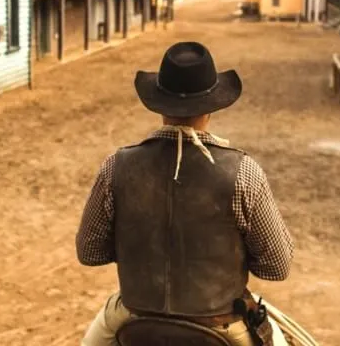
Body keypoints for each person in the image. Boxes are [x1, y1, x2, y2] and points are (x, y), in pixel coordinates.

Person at [76, 41, 294, 346]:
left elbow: (89, 252)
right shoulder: (244, 172)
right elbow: (277, 267)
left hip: (135, 315)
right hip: (221, 325)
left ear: (158, 104)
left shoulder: (116, 167)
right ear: (212, 106)